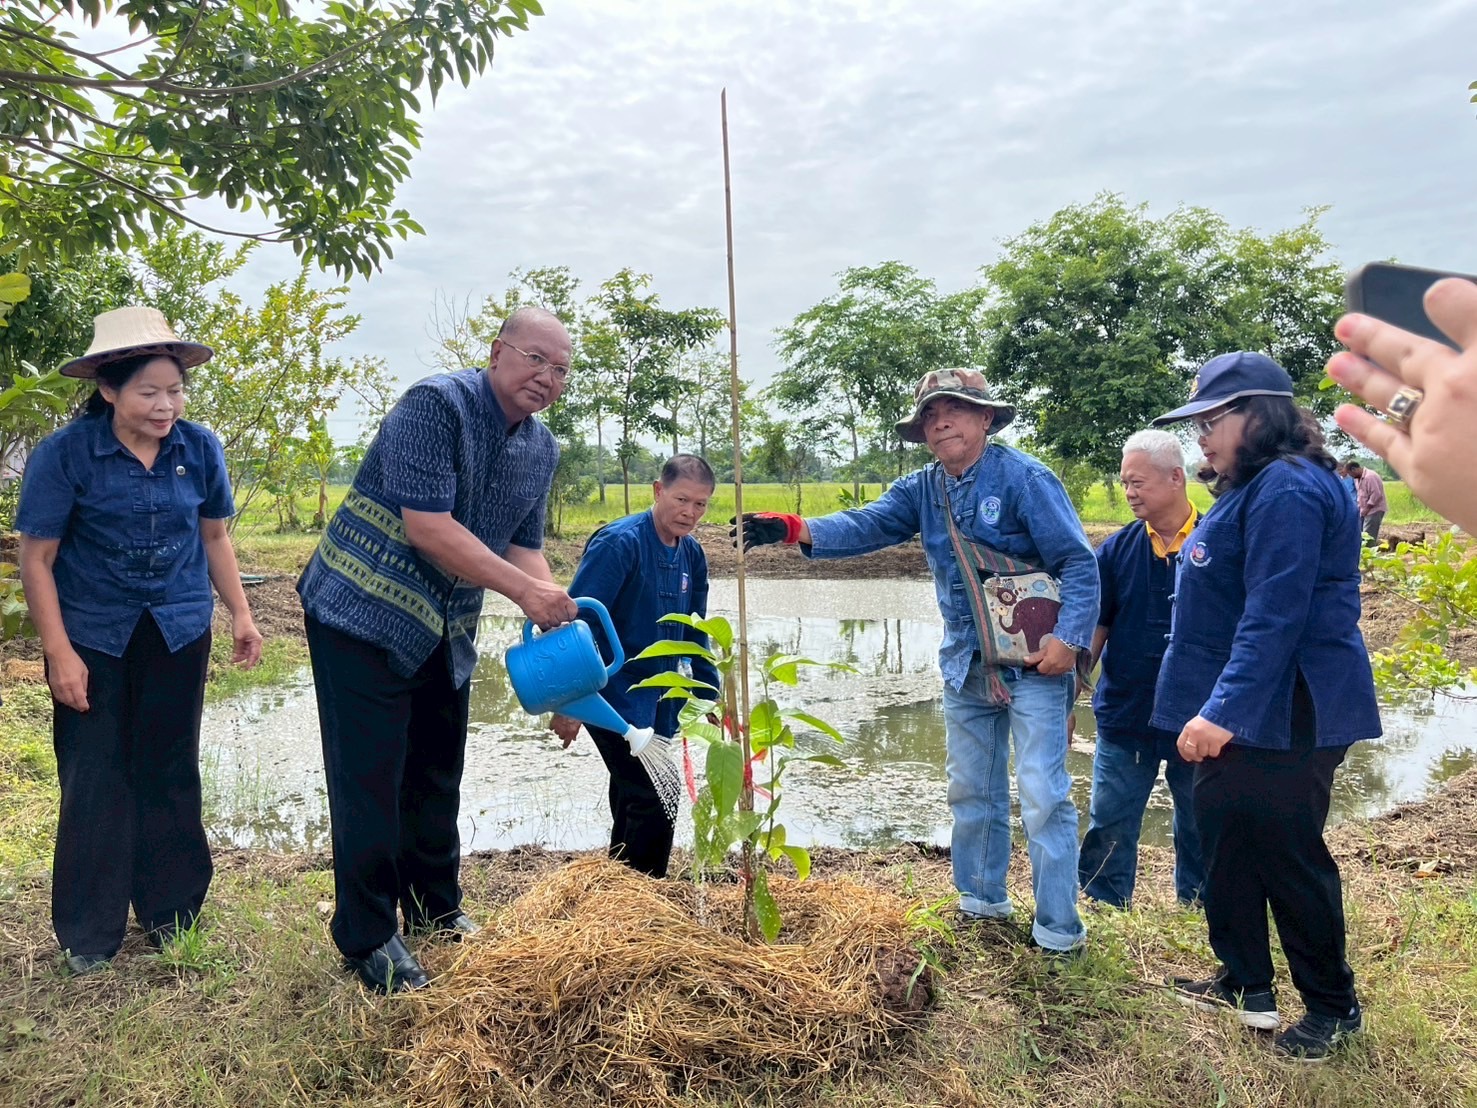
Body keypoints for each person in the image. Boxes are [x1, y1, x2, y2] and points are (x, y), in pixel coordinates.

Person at [737, 368, 1098, 959]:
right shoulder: (923, 489)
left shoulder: (1025, 479)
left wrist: (1068, 639)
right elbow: (866, 523)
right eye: (930, 416)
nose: (941, 422)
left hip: (1036, 660)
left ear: (986, 418)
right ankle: (981, 904)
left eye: (953, 409)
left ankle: (1059, 930)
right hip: (967, 661)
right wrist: (795, 528)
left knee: (1041, 791)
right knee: (971, 788)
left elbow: (1079, 565)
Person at [296, 306, 579, 994]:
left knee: (434, 769)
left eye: (561, 369)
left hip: (443, 621)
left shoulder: (540, 448)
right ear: (496, 351)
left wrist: (561, 643)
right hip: (360, 610)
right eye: (535, 358)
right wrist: (525, 595)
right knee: (370, 776)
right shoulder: (435, 405)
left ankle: (434, 909)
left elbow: (525, 547)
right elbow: (427, 527)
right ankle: (367, 937)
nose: (546, 377)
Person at [16, 306, 263, 976]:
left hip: (178, 630)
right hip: (92, 635)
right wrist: (59, 654)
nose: (166, 405)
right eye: (149, 391)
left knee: (170, 768)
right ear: (108, 390)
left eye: (176, 390)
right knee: (96, 774)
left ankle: (171, 911)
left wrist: (239, 614)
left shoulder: (198, 448)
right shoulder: (66, 455)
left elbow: (214, 536)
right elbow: (35, 560)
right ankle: (89, 933)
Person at [1151, 351, 1380, 1062]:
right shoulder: (1252, 489)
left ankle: (1331, 1007)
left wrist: (1222, 711)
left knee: (1285, 854)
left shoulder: (1286, 487)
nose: (1202, 439)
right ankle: (1244, 977)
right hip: (1252, 700)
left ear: (1261, 413)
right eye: (1197, 426)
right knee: (1225, 836)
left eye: (1212, 421)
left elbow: (1273, 616)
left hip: (1291, 703)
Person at [549, 455, 722, 878]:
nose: (690, 512)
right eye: (682, 499)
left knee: (633, 792)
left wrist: (707, 693)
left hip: (661, 693)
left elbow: (695, 630)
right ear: (658, 491)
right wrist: (570, 702)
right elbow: (580, 624)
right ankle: (645, 898)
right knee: (655, 793)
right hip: (608, 690)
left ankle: (620, 888)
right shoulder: (620, 543)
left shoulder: (693, 555)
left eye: (701, 504)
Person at [1076, 430, 1205, 909]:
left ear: (1176, 478)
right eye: (1125, 483)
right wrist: (1071, 695)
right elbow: (1094, 631)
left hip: (1199, 717)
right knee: (1110, 819)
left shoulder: (1218, 543)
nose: (1129, 492)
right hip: (1126, 713)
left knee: (1199, 820)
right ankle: (1103, 905)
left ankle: (1200, 909)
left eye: (1138, 483)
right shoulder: (1114, 552)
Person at [1328, 275, 1477, 533]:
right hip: (1368, 511)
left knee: (1370, 538)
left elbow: (1373, 499)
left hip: (1374, 511)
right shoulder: (1359, 479)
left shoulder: (1370, 478)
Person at [1345, 460, 1387, 543]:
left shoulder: (1370, 476)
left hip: (1374, 510)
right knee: (1361, 534)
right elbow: (1360, 495)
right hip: (1364, 511)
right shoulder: (1357, 479)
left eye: (1350, 474)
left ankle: (1370, 554)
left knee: (1369, 536)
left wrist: (1366, 509)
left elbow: (1376, 495)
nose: (1351, 477)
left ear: (1354, 469)